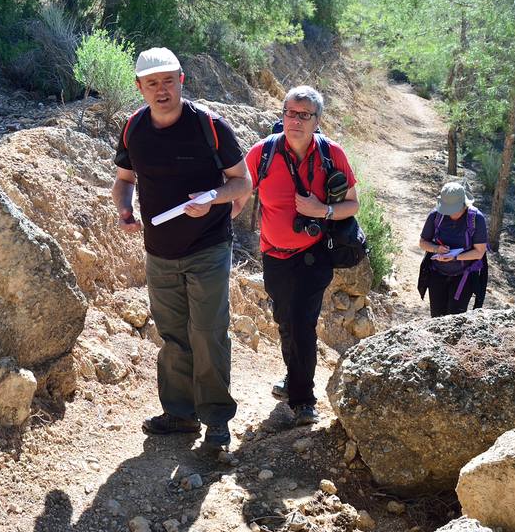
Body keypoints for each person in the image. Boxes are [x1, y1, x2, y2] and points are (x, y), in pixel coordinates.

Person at [112, 47, 252, 451]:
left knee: (208, 332)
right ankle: (180, 414)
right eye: (152, 83)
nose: (161, 90)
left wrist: (212, 197)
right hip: (158, 250)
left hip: (207, 246)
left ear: (181, 81)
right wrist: (123, 207)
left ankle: (217, 420)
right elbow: (124, 180)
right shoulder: (133, 129)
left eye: (168, 81)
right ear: (139, 87)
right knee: (173, 335)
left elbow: (241, 183)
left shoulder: (209, 126)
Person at [245, 86, 359, 426]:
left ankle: (303, 400)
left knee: (302, 322)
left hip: (314, 254)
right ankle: (294, 376)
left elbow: (352, 204)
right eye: (290, 112)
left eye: (304, 114)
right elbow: (238, 188)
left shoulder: (331, 154)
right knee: (284, 320)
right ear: (282, 115)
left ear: (317, 121)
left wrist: (322, 209)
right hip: (273, 254)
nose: (295, 120)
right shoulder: (262, 153)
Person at [418, 181, 488, 316]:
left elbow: (479, 252)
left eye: (453, 209)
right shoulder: (436, 215)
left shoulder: (476, 219)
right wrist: (436, 248)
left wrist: (455, 257)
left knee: (455, 319)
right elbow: (422, 243)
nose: (450, 214)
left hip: (464, 276)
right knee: (437, 318)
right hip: (437, 274)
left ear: (464, 205)